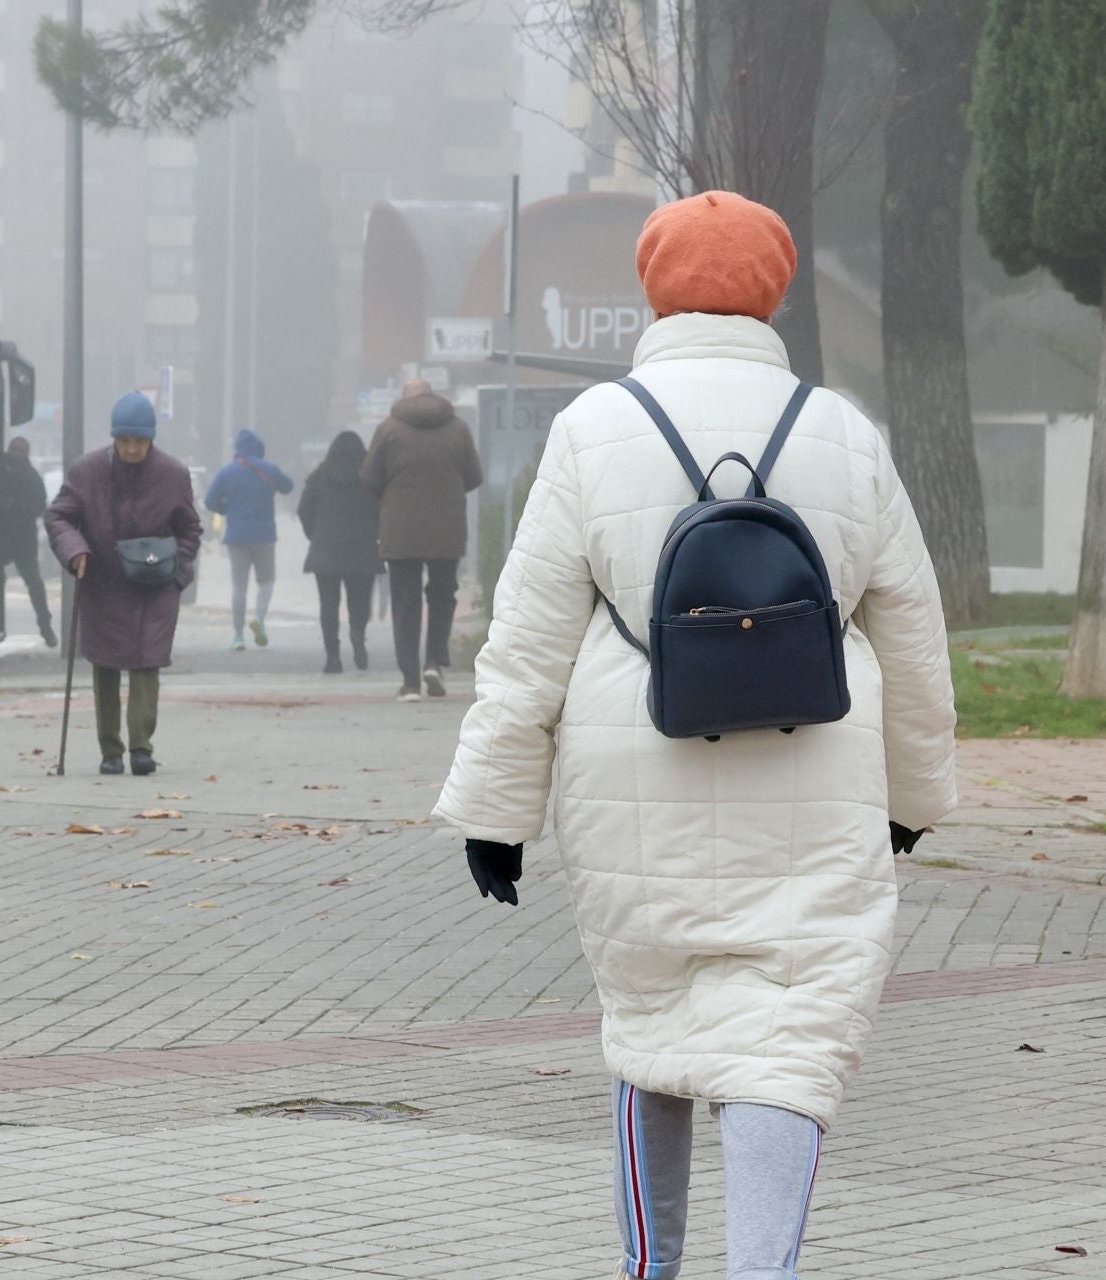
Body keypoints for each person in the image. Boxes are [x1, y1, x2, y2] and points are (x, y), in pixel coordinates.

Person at [436, 191, 957, 1280]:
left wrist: (495, 812)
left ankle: (649, 1267)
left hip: (632, 767)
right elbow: (910, 630)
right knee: (791, 1035)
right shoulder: (843, 431)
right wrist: (914, 794)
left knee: (652, 1022)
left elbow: (526, 639)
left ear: (653, 287)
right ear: (775, 290)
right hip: (818, 762)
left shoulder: (592, 429)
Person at [45, 392, 202, 776]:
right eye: (125, 441)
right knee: (106, 665)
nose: (133, 449)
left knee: (147, 663)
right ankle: (110, 750)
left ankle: (141, 746)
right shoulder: (87, 472)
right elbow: (59, 517)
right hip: (104, 581)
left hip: (156, 584)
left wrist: (176, 570)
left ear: (151, 439)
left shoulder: (172, 474)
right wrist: (76, 550)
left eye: (140, 441)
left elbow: (190, 529)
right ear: (114, 438)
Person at [360, 378, 481, 701]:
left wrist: (392, 497)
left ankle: (410, 681)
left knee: (405, 601)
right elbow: (474, 477)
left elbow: (369, 479)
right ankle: (434, 662)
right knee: (442, 596)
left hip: (400, 531)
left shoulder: (388, 430)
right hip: (447, 528)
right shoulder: (458, 429)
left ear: (405, 398)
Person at [297, 429, 381, 674]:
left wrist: (316, 534)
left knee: (328, 604)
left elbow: (304, 510)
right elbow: (381, 510)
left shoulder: (318, 477)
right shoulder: (371, 478)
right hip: (363, 549)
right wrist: (374, 534)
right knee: (360, 601)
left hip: (326, 550)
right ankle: (357, 634)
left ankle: (332, 656)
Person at [203, 428, 293, 651]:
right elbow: (288, 486)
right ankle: (259, 619)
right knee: (266, 582)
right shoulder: (269, 469)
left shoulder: (227, 472)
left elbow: (210, 501)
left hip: (236, 536)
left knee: (239, 587)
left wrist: (227, 509)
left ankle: (238, 636)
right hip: (264, 536)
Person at [0, 436, 57, 647]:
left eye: (20, 451)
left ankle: (45, 627)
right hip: (0, 536)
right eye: (14, 450)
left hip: (23, 539)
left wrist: (17, 509)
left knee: (35, 583)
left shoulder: (31, 477)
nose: (16, 454)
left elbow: (39, 505)